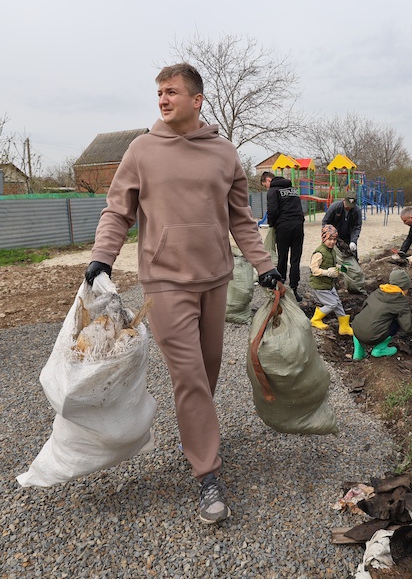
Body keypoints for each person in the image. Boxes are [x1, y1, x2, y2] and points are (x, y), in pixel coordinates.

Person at [85, 63, 282, 526]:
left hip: (215, 278)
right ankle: (207, 473)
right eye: (158, 93)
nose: (162, 99)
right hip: (165, 281)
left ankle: (197, 429)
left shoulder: (224, 153)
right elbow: (117, 212)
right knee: (190, 377)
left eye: (171, 92)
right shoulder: (140, 151)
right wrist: (102, 257)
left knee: (209, 370)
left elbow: (241, 220)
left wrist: (266, 267)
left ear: (197, 100)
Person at [351, 269, 412, 360]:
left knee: (364, 318)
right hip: (371, 336)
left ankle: (358, 352)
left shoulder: (378, 291)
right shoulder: (401, 303)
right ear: (404, 288)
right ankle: (379, 350)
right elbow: (407, 328)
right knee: (396, 323)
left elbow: (364, 307)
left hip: (355, 329)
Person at [260, 171, 305, 302]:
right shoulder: (292, 189)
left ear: (268, 180)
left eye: (265, 185)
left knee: (282, 257)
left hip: (284, 227)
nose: (266, 188)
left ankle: (281, 287)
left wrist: (272, 225)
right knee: (296, 259)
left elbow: (272, 211)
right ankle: (294, 289)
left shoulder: (273, 191)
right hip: (298, 225)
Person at [308, 224, 354, 336]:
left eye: (334, 239)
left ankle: (344, 326)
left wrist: (341, 268)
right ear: (324, 238)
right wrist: (326, 272)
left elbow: (331, 264)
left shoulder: (332, 251)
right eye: (329, 239)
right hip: (320, 285)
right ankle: (315, 319)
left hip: (329, 284)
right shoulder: (319, 253)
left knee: (338, 303)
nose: (332, 242)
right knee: (332, 304)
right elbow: (314, 269)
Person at [321, 190, 362, 257]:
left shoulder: (357, 211)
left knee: (352, 257)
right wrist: (330, 237)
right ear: (344, 200)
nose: (349, 208)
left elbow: (357, 227)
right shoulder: (334, 207)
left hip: (348, 237)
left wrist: (353, 241)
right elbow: (325, 222)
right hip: (333, 237)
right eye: (347, 205)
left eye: (351, 206)